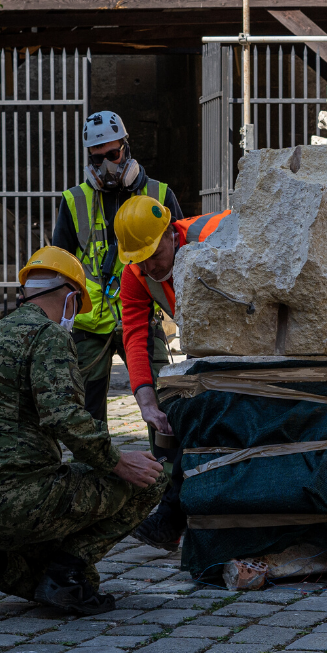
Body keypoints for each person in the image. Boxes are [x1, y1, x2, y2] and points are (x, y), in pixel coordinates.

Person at [0, 247, 165, 618]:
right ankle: (66, 574)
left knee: (36, 582)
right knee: (152, 479)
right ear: (72, 297)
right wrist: (119, 462)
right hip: (20, 502)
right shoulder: (48, 336)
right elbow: (66, 417)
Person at [112, 196, 233, 551]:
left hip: (247, 337)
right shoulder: (135, 272)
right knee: (176, 414)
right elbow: (134, 333)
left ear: (170, 234)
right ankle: (175, 512)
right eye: (138, 259)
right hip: (206, 345)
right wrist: (146, 399)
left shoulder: (213, 237)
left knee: (203, 414)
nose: (148, 267)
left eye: (153, 255)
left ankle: (172, 515)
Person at [52, 111, 183, 426]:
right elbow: (61, 265)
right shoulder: (73, 200)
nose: (106, 165)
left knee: (167, 400)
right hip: (89, 324)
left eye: (113, 154)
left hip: (140, 312)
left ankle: (164, 469)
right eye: (97, 160)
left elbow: (182, 252)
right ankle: (96, 472)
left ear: (127, 147)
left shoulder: (159, 194)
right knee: (87, 414)